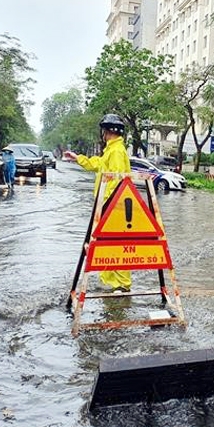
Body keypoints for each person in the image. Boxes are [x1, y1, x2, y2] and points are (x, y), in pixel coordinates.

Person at [64, 113, 132, 293]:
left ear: (107, 131)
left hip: (113, 206)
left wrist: (106, 204)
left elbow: (117, 179)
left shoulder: (117, 151)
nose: (102, 134)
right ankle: (112, 282)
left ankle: (122, 285)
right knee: (107, 244)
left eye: (103, 131)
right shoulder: (111, 149)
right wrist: (78, 158)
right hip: (109, 205)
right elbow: (98, 165)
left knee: (116, 245)